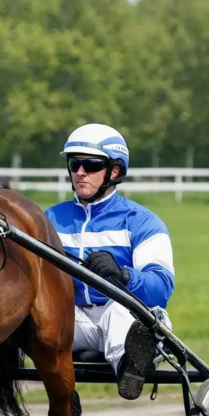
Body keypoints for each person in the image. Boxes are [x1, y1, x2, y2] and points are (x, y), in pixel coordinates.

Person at [45, 123, 175, 400]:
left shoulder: (142, 222)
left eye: (90, 165)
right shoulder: (49, 220)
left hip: (122, 320)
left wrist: (122, 275)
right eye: (74, 163)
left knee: (119, 308)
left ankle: (130, 365)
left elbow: (161, 287)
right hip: (72, 320)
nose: (79, 172)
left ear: (114, 171)